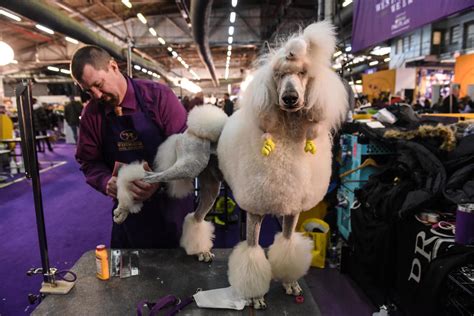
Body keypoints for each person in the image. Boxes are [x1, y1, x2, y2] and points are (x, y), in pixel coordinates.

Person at [71, 45, 193, 249]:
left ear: (113, 67)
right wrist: (105, 181)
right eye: (88, 91)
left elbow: (186, 149)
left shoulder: (158, 97)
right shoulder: (92, 114)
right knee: (130, 275)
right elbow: (88, 161)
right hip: (128, 212)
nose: (97, 95)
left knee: (178, 274)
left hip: (173, 205)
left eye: (98, 84)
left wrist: (159, 180)